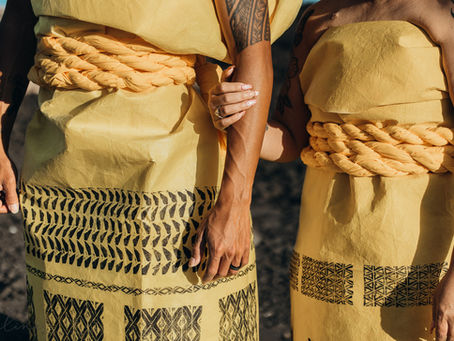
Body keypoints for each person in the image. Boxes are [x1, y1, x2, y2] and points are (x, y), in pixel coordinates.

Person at [0, 0, 301, 340]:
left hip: (174, 158)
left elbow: (253, 53)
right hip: (58, 157)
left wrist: (235, 204)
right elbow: (18, 20)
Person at [208, 0, 454, 339]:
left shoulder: (443, 13)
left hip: (416, 253)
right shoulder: (316, 18)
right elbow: (292, 138)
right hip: (325, 251)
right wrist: (236, 119)